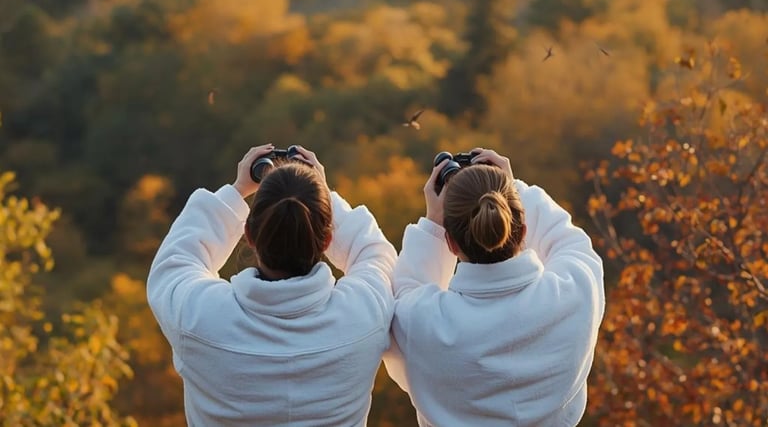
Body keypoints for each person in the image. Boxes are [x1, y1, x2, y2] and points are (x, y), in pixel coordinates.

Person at [147, 144, 397, 427]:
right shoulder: (362, 314)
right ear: (327, 241)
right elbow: (375, 253)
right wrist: (323, 193)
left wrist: (237, 190)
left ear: (249, 235)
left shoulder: (200, 317)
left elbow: (175, 261)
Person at [385, 148, 605, 426]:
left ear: (450, 243)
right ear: (522, 229)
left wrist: (432, 226)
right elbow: (567, 241)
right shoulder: (575, 292)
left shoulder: (422, 324)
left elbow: (406, 290)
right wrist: (514, 189)